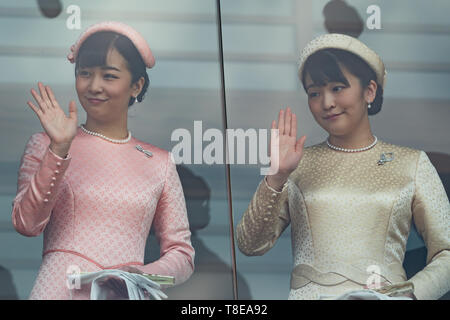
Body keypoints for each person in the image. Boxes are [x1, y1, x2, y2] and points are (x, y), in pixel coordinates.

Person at [236, 33, 450, 300]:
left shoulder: (412, 163)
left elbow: (447, 253)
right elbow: (249, 244)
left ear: (369, 91)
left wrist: (408, 296)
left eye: (337, 88)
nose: (327, 103)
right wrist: (276, 176)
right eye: (315, 93)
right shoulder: (296, 166)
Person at [11, 21, 195, 299]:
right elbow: (26, 224)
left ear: (136, 85)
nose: (94, 86)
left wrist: (142, 276)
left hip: (125, 293)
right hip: (59, 290)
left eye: (109, 76)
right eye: (85, 73)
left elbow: (182, 254)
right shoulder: (46, 144)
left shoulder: (160, 163)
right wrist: (60, 148)